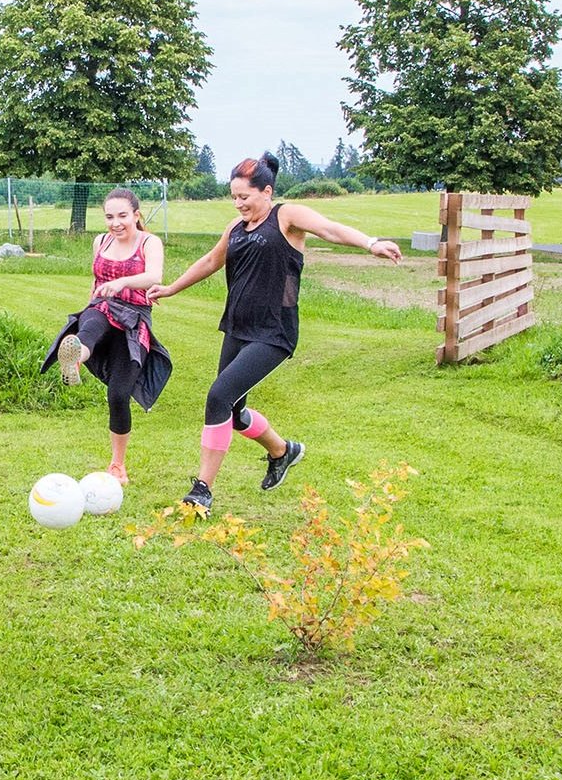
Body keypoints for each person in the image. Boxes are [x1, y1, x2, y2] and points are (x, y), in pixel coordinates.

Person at [148, 152, 401, 515]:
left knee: (218, 396)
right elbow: (210, 261)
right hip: (238, 327)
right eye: (234, 197)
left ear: (266, 191)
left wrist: (370, 242)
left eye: (244, 197)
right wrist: (172, 288)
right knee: (233, 413)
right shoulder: (234, 229)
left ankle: (202, 489)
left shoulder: (287, 216)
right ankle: (283, 451)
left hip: (273, 332)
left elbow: (329, 228)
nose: (238, 204)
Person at [41, 188, 172, 485]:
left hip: (134, 319)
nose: (115, 223)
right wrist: (92, 300)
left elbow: (154, 276)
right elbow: (96, 279)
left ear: (136, 215)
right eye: (109, 216)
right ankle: (74, 357)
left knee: (118, 395)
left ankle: (117, 465)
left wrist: (122, 282)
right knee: (90, 327)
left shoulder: (149, 242)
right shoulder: (100, 241)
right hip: (100, 307)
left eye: (122, 216)